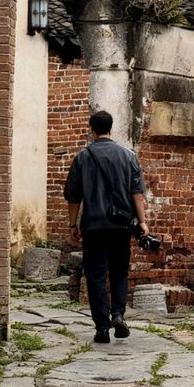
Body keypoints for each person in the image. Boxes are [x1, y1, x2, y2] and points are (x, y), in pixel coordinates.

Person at [64, 110, 149, 344]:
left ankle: (102, 328)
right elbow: (137, 193)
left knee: (96, 276)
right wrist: (141, 221)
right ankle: (118, 314)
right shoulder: (128, 156)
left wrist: (73, 224)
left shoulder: (82, 157)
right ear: (111, 128)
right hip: (121, 226)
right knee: (120, 272)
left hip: (93, 226)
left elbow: (73, 196)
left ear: (92, 129)